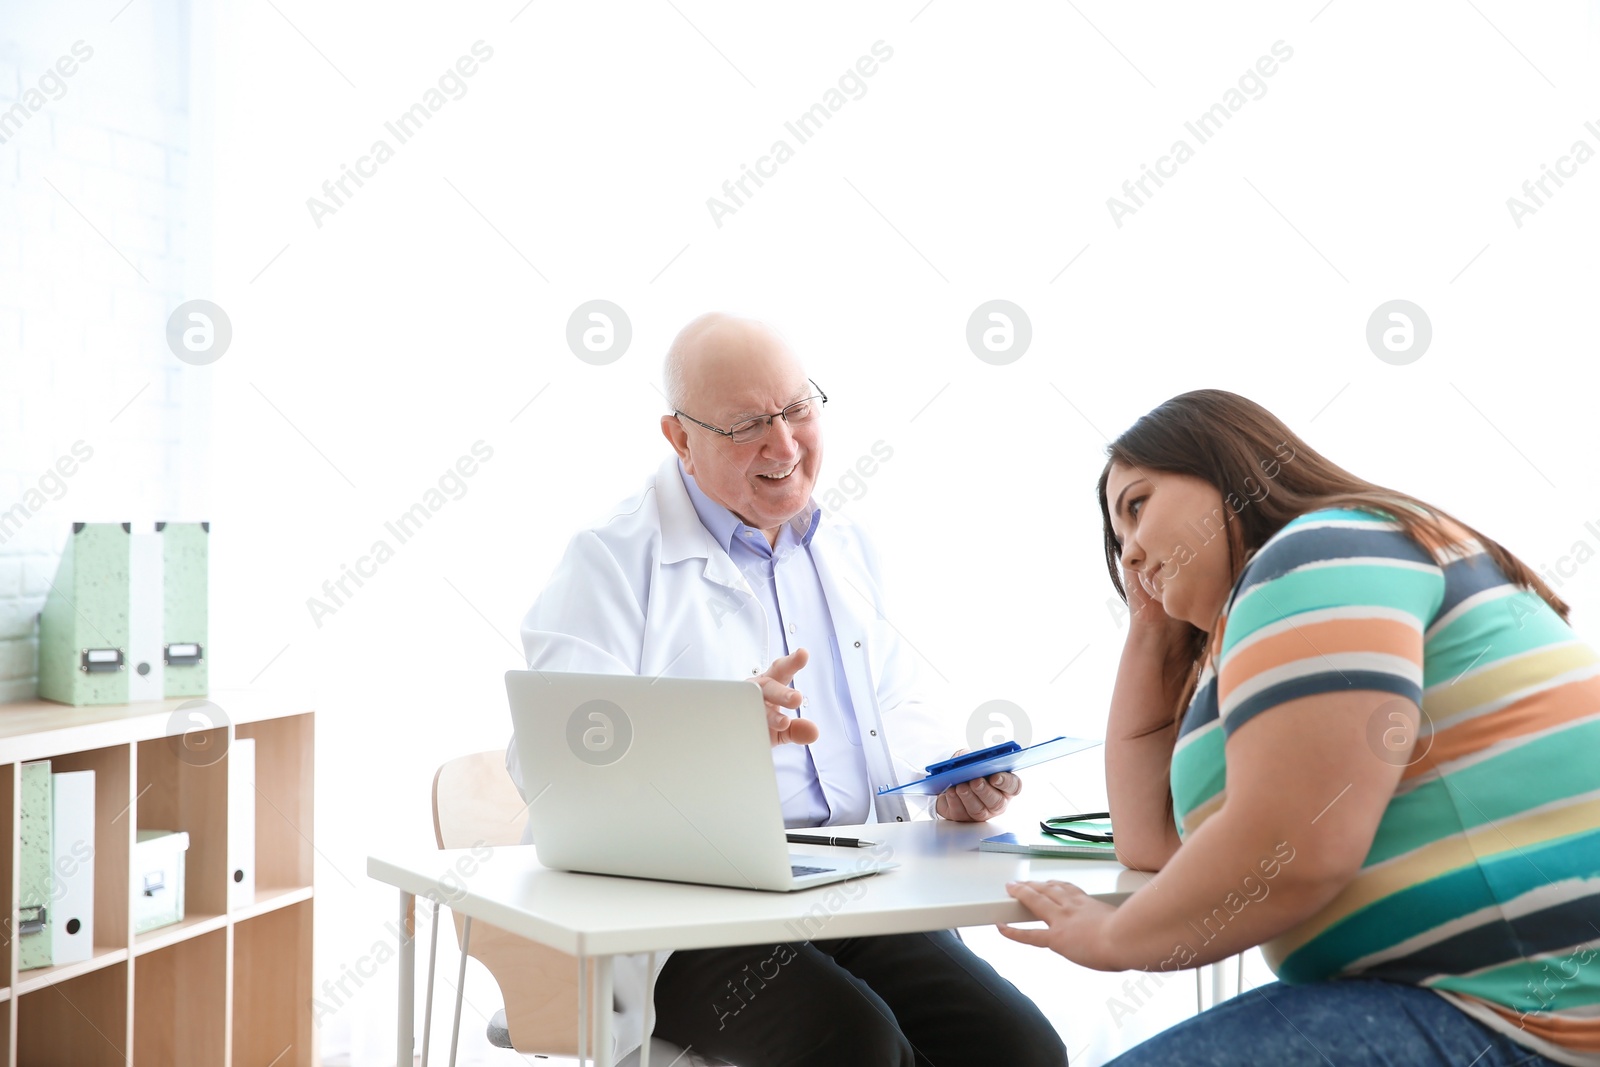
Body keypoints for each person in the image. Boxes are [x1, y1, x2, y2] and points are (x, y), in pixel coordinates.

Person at [506, 312, 1068, 1067]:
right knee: (858, 1046)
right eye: (747, 425)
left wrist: (949, 774)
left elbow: (895, 704)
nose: (784, 444)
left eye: (798, 408)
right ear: (679, 439)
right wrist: (715, 728)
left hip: (850, 879)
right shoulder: (609, 560)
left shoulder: (843, 546)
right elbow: (554, 763)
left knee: (1020, 1049)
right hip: (693, 910)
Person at [998, 388, 1600, 1066]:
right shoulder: (1301, 590)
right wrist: (1149, 631)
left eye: (1137, 506)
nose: (1130, 551)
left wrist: (1110, 938)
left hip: (1521, 1019)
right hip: (1482, 1004)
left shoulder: (1322, 551)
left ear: (1225, 465)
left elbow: (1296, 847)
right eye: (1119, 539)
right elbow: (1155, 841)